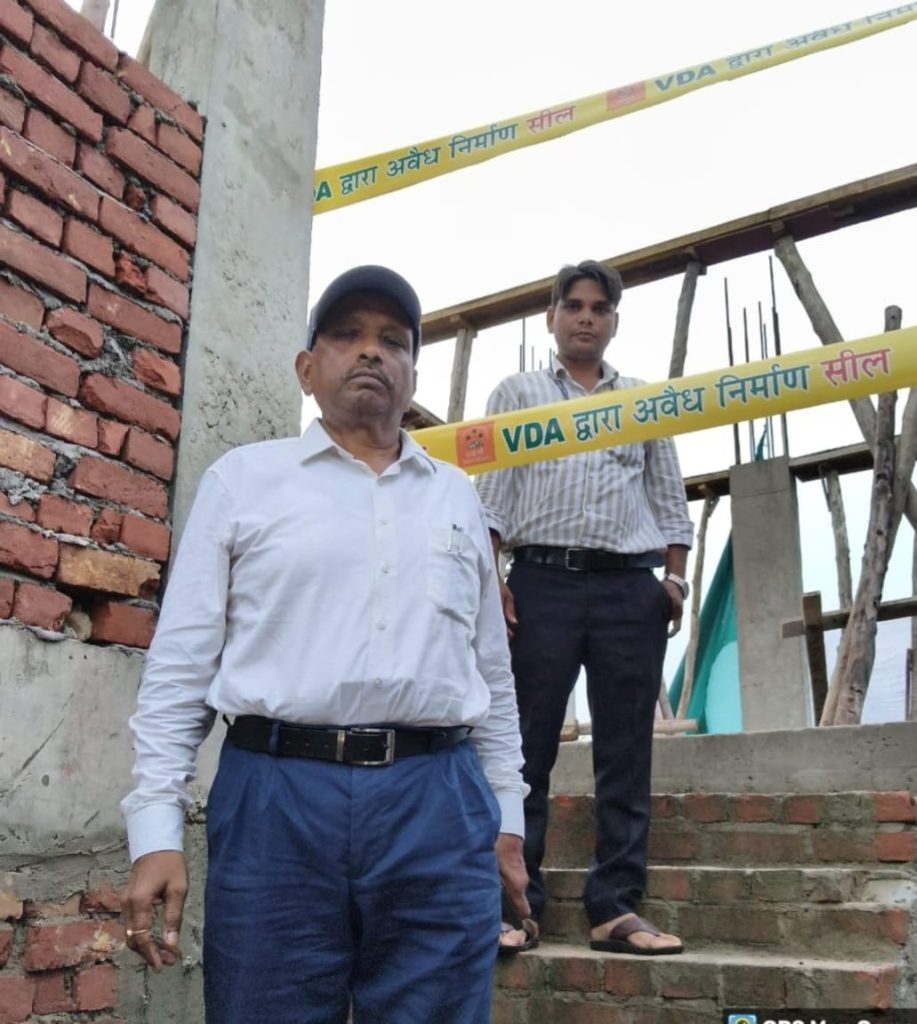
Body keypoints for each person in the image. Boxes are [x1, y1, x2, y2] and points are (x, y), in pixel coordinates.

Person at [120, 266, 530, 1024]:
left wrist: (508, 816)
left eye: (393, 341)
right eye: (347, 335)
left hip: (436, 800)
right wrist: (156, 829)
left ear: (412, 377)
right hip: (277, 798)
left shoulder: (455, 497)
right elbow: (180, 667)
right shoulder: (244, 482)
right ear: (307, 370)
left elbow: (489, 672)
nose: (371, 352)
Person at [476, 260, 694, 956]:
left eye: (599, 308)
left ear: (613, 322)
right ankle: (516, 906)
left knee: (625, 751)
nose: (586, 318)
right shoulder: (517, 394)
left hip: (629, 589)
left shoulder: (641, 402)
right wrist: (492, 579)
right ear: (551, 316)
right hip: (540, 584)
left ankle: (614, 908)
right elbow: (492, 499)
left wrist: (673, 581)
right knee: (525, 747)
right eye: (573, 305)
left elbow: (668, 499)